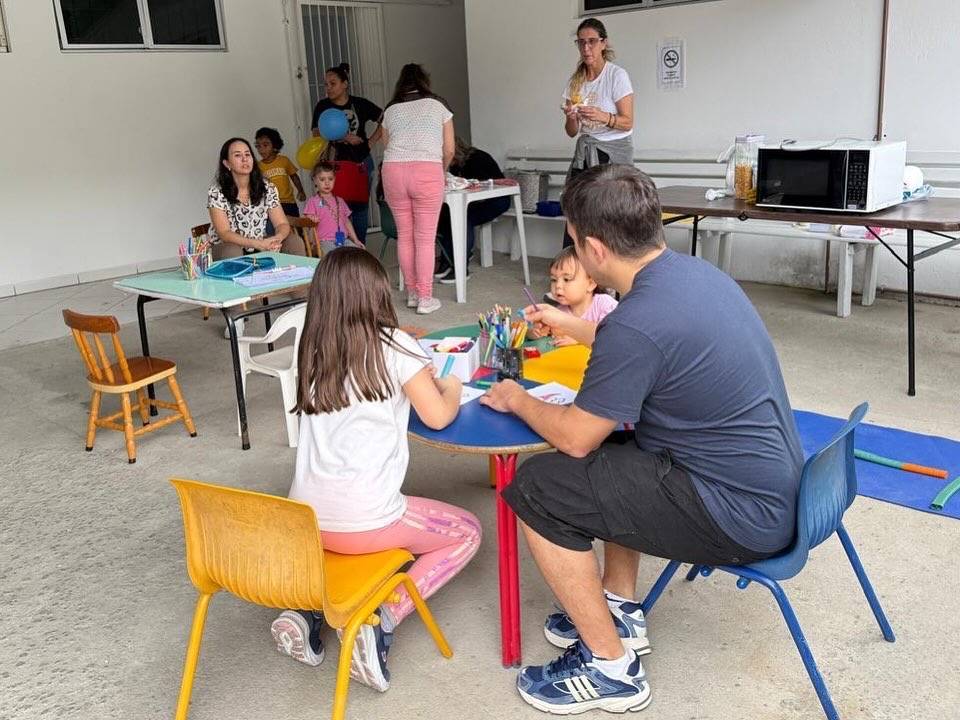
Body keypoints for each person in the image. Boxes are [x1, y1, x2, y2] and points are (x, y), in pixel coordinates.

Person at [479, 165, 803, 714]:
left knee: (539, 487)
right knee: (617, 446)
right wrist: (572, 324)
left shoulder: (636, 322)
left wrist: (516, 398)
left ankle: (611, 668)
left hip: (737, 514)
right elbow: (642, 337)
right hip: (771, 488)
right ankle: (619, 608)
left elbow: (576, 438)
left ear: (596, 250)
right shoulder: (693, 276)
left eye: (574, 241)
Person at [270, 247, 480, 690]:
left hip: (303, 524)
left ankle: (306, 610)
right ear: (378, 295)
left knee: (337, 540)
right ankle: (381, 617)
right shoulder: (398, 347)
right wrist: (452, 385)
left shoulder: (313, 348)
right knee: (467, 532)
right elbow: (437, 416)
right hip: (367, 522)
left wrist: (406, 347)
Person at [207, 138, 304, 335]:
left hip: (259, 243)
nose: (245, 159)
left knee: (293, 240)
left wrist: (277, 238)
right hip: (228, 245)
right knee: (231, 251)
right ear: (227, 163)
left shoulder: (267, 187)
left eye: (248, 154)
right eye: (237, 155)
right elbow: (224, 233)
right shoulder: (217, 192)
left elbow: (282, 224)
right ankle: (236, 318)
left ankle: (302, 304)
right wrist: (259, 244)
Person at [381, 63, 455, 315]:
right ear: (425, 81)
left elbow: (387, 145)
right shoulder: (439, 106)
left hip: (393, 171)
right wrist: (441, 171)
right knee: (424, 238)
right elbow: (449, 150)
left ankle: (412, 294)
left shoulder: (390, 110)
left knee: (405, 235)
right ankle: (425, 298)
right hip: (426, 170)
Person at [560, 17, 635, 248]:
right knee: (576, 209)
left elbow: (627, 122)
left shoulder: (616, 75)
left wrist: (603, 116)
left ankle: (610, 264)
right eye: (581, 42)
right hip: (586, 151)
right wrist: (571, 117)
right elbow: (571, 132)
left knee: (608, 213)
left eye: (592, 41)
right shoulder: (575, 81)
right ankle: (573, 261)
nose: (586, 48)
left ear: (603, 43)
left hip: (612, 153)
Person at [312, 63, 383, 245]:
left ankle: (359, 247)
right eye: (326, 84)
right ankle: (342, 247)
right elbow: (316, 133)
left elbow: (385, 119)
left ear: (345, 84)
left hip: (361, 161)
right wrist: (343, 136)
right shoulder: (323, 106)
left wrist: (371, 142)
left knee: (360, 208)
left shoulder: (360, 103)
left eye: (333, 83)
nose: (328, 88)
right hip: (334, 164)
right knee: (336, 206)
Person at [433, 137, 511, 284]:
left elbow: (483, 186)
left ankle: (461, 267)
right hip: (474, 201)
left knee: (462, 217)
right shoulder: (457, 164)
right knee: (444, 214)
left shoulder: (477, 158)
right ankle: (448, 259)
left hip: (495, 200)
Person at [529, 246, 617, 346]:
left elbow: (614, 338)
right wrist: (535, 332)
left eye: (566, 279)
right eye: (554, 280)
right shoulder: (559, 313)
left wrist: (579, 340)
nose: (558, 285)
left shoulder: (605, 305)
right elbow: (547, 336)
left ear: (591, 284)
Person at [303, 162, 363, 255]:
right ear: (315, 180)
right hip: (324, 241)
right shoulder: (313, 201)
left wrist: (356, 240)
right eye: (322, 179)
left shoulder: (340, 201)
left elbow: (346, 222)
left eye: (330, 179)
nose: (327, 183)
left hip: (344, 240)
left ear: (335, 179)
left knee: (358, 254)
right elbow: (306, 219)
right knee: (335, 257)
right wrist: (311, 218)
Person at [254, 127, 306, 226]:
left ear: (275, 146)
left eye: (265, 145)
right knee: (277, 229)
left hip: (289, 203)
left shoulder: (284, 160)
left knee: (295, 227)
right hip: (271, 205)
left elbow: (294, 176)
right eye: (258, 146)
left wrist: (301, 191)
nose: (261, 149)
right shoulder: (258, 167)